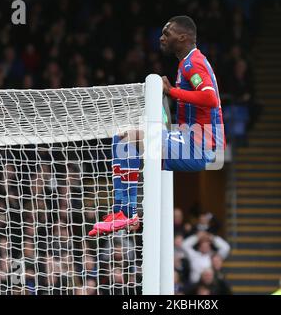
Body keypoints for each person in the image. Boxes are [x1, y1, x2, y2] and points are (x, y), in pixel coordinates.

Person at [89, 15, 225, 236]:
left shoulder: (193, 63)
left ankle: (126, 212)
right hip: (193, 140)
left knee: (126, 139)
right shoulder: (188, 63)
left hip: (199, 144)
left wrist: (171, 92)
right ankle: (124, 213)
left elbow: (210, 99)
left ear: (182, 37)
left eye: (166, 33)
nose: (161, 38)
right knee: (127, 143)